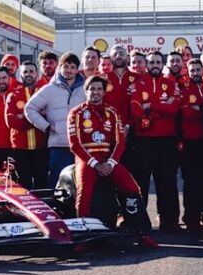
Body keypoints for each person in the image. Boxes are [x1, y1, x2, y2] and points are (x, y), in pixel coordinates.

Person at [67, 75, 158, 248]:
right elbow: (74, 144)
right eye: (91, 89)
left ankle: (142, 231)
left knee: (133, 188)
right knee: (84, 193)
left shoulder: (112, 112)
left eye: (99, 89)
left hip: (108, 159)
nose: (95, 92)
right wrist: (96, 164)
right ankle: (83, 237)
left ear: (104, 91)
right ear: (85, 91)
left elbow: (120, 142)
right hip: (87, 159)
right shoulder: (76, 113)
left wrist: (110, 163)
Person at [129, 51, 182, 232]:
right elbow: (136, 111)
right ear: (146, 64)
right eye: (151, 62)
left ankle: (170, 221)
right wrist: (163, 106)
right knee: (141, 183)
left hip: (166, 140)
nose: (155, 65)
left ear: (163, 64)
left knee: (167, 182)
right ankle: (140, 222)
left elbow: (174, 109)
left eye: (158, 62)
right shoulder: (137, 84)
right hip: (143, 140)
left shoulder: (171, 83)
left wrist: (151, 106)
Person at [25, 52, 86, 188]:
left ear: (77, 69)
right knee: (58, 183)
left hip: (81, 146)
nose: (69, 70)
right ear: (60, 67)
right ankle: (55, 209)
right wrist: (46, 126)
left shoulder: (85, 90)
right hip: (58, 145)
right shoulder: (50, 89)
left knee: (81, 183)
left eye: (72, 67)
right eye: (66, 66)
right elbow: (29, 108)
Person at [179, 59, 203, 232]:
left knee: (202, 181)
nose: (195, 73)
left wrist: (199, 109)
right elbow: (186, 112)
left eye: (198, 70)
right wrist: (200, 109)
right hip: (189, 142)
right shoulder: (183, 90)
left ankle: (202, 212)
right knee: (190, 182)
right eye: (192, 70)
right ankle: (190, 217)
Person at [6, 62, 48, 191]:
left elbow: (49, 117)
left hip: (41, 147)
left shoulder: (44, 94)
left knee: (42, 182)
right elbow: (11, 121)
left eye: (31, 71)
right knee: (23, 184)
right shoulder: (13, 95)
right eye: (25, 72)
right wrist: (36, 118)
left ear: (37, 74)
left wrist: (22, 116)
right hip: (20, 148)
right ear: (20, 75)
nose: (28, 74)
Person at [104, 45, 139, 132]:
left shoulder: (138, 78)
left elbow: (139, 105)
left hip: (133, 128)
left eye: (121, 53)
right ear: (111, 58)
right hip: (109, 127)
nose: (118, 56)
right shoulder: (103, 79)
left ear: (127, 58)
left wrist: (128, 125)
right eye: (115, 54)